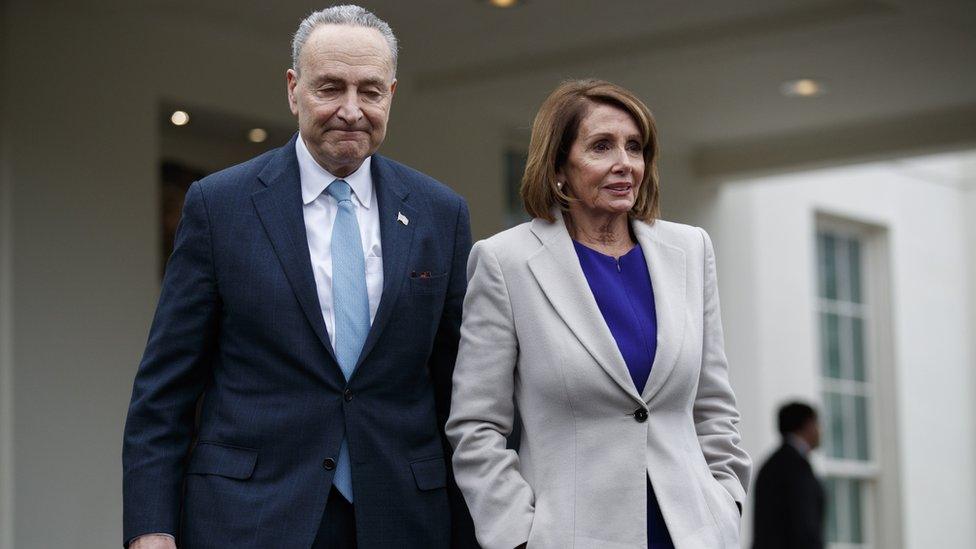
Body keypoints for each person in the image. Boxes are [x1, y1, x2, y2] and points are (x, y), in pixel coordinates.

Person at [122, 5, 476, 548]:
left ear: (392, 95)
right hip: (249, 518)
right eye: (330, 87)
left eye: (371, 91)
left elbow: (458, 394)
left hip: (402, 520)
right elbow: (164, 393)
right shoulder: (221, 207)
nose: (351, 111)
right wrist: (151, 530)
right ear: (293, 89)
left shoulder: (439, 212)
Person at [446, 79, 752, 549]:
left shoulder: (690, 250)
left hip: (693, 533)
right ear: (559, 167)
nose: (624, 164)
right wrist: (515, 536)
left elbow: (714, 406)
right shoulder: (504, 263)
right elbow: (477, 425)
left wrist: (726, 501)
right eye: (601, 147)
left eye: (635, 147)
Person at [752, 402, 825, 549]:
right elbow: (805, 528)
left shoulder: (770, 464)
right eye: (817, 423)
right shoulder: (798, 467)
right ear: (807, 425)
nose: (820, 430)